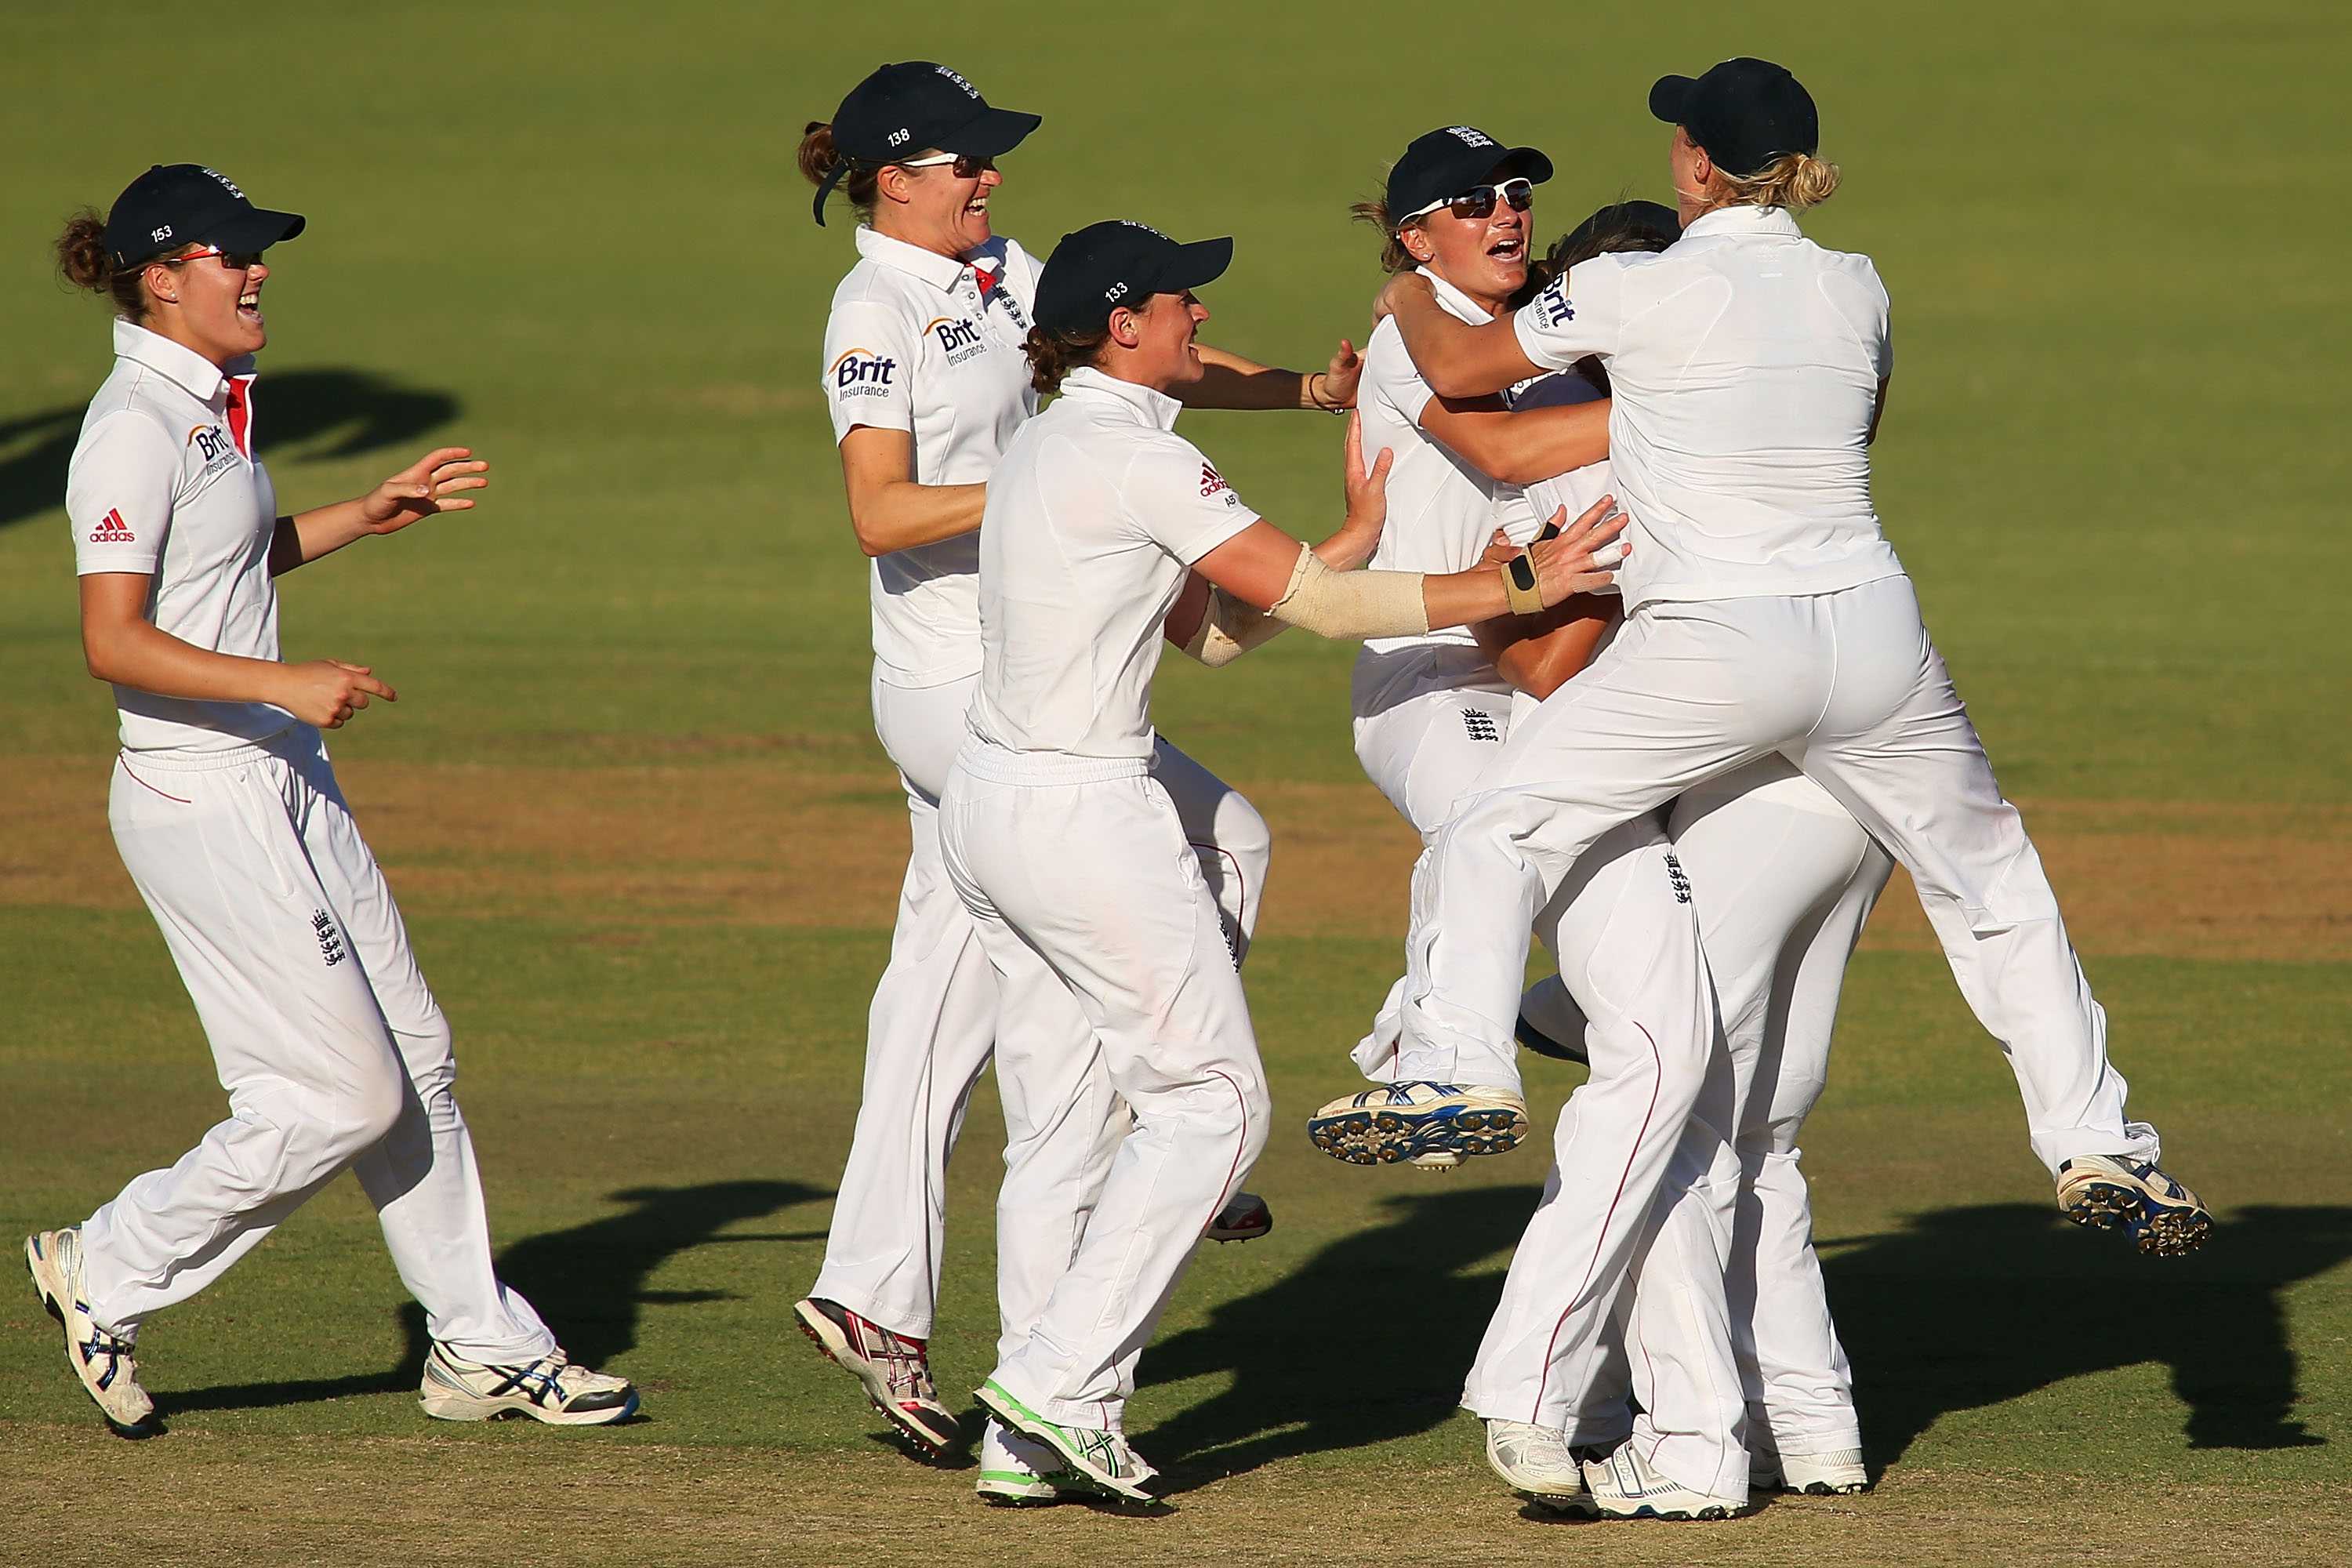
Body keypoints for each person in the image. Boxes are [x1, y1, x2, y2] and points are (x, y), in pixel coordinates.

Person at [1374, 49, 2209, 1504]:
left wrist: (1390, 297)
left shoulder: (1632, 287)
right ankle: (2098, 1140)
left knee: (1506, 819)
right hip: (1877, 633)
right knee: (1992, 877)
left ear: (1696, 168)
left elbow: (1458, 373)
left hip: (1723, 640)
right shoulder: (1860, 284)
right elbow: (1842, 425)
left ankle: (1453, 1065)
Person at [943, 219, 1624, 1501]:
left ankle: (1025, 1430)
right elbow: (1310, 610)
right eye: (1182, 303)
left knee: (1093, 1102)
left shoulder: (1057, 444)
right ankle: (1053, 1388)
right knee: (1213, 1105)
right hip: (1080, 811)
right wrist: (1513, 581)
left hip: (993, 810)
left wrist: (1360, 531)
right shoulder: (1139, 459)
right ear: (1122, 323)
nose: (1202, 319)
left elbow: (1214, 633)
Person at [789, 62, 1365, 1494]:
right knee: (1153, 883)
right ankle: (1155, 1130)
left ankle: (941, 1303)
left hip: (1013, 671)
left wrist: (1300, 390)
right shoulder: (873, 308)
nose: (992, 177)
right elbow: (880, 511)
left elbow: (1114, 356)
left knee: (988, 991)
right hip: (949, 680)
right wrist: (1073, 484)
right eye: (967, 160)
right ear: (894, 173)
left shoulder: (996, 266)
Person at [24, 163, 637, 1436]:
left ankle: (477, 1346)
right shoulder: (133, 421)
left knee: (418, 1061)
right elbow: (114, 640)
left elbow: (223, 557)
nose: (258, 272)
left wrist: (365, 513)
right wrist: (284, 683)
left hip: (278, 772)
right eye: (233, 254)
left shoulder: (208, 408)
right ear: (161, 275)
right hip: (204, 796)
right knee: (338, 1098)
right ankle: (109, 1262)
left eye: (260, 252)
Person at [1324, 126, 1614, 1153]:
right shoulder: (1422, 336)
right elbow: (1507, 444)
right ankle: (1442, 1063)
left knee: (1596, 849)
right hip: (1424, 664)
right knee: (1491, 821)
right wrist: (1683, 410)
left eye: (1516, 194)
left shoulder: (1531, 338)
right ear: (1414, 239)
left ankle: (1568, 1012)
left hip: (1530, 664)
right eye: (1473, 200)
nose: (1506, 209)